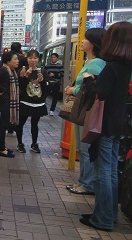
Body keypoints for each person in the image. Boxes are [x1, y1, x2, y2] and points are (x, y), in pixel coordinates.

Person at [79, 21, 132, 232]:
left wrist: (89, 80)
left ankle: (102, 218)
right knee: (110, 171)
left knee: (103, 171)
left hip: (104, 124)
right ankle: (108, 215)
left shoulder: (111, 67)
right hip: (117, 123)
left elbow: (99, 93)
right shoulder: (126, 65)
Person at [64, 28, 106, 195]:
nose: (82, 41)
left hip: (88, 110)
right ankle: (84, 182)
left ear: (94, 43)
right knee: (83, 148)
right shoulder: (91, 62)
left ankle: (87, 184)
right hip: (84, 108)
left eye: (86, 38)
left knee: (85, 148)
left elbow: (91, 89)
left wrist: (72, 90)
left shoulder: (96, 63)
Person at [15, 50, 48, 154]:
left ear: (38, 59)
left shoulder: (42, 71)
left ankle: (34, 144)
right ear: (27, 59)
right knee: (20, 123)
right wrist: (25, 76)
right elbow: (19, 86)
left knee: (35, 124)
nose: (32, 60)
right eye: (30, 58)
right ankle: (20, 143)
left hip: (37, 102)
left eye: (35, 58)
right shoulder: (22, 70)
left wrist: (42, 80)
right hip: (25, 101)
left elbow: (47, 89)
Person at [0, 51, 20, 158]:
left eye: (17, 59)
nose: (17, 61)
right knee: (3, 126)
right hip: (5, 102)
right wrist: (2, 90)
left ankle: (3, 147)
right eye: (15, 59)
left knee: (5, 125)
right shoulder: (4, 70)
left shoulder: (11, 71)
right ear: (8, 61)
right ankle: (1, 149)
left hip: (8, 101)